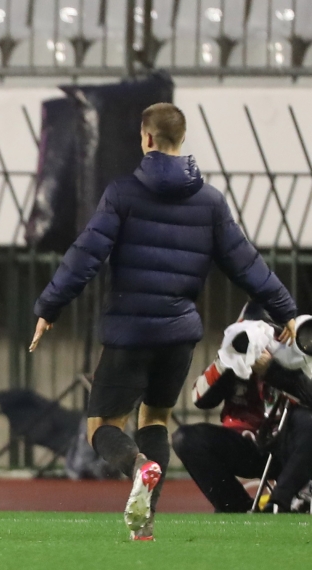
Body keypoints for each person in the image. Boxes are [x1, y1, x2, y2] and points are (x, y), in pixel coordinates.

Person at [28, 102, 298, 541]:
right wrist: (288, 313)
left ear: (147, 138)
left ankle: (139, 466)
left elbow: (85, 256)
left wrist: (49, 307)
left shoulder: (122, 194)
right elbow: (248, 266)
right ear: (182, 138)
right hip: (178, 337)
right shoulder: (210, 202)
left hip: (129, 334)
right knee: (154, 421)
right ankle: (144, 524)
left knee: (103, 427)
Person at [173, 304, 312, 514]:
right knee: (186, 439)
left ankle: (278, 504)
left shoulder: (301, 351)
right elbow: (199, 399)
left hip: (291, 449)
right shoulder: (233, 355)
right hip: (249, 447)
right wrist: (228, 361)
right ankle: (237, 509)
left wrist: (273, 371)